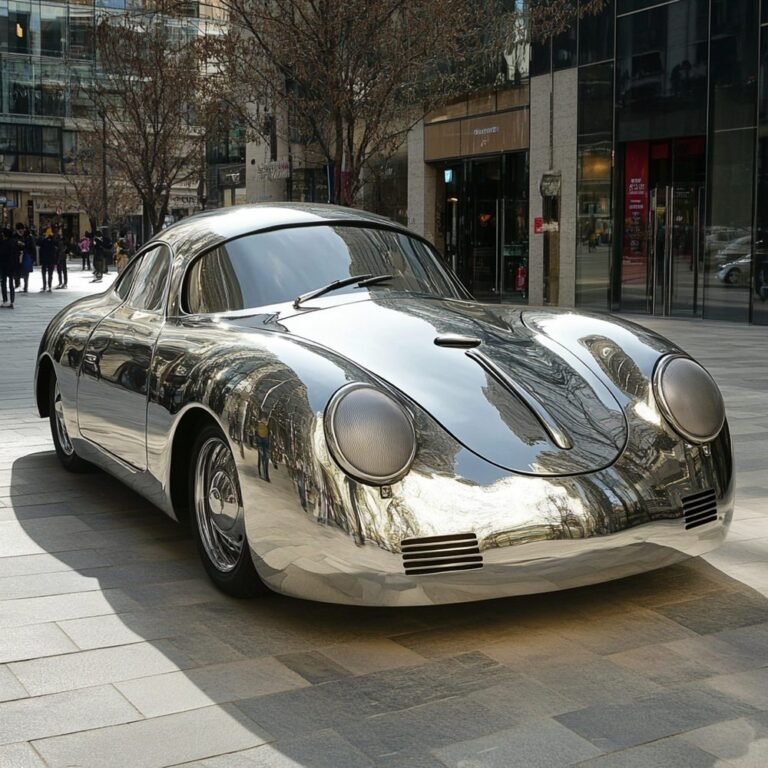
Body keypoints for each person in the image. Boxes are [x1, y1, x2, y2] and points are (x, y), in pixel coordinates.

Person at [0, 228, 17, 309]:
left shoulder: (3, 243)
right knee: (11, 284)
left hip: (4, 265)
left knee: (3, 283)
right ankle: (12, 301)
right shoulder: (14, 242)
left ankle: (5, 300)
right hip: (12, 265)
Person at [15, 223, 34, 293]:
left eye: (22, 229)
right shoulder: (15, 236)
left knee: (26, 272)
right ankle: (17, 284)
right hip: (17, 256)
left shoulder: (28, 236)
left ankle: (25, 286)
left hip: (26, 256)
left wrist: (24, 246)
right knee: (17, 271)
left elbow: (32, 247)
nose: (21, 231)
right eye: (19, 230)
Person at [37, 228, 57, 292]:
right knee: (50, 273)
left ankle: (44, 286)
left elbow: (39, 245)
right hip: (51, 259)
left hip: (44, 259)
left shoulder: (44, 240)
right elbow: (55, 250)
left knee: (44, 273)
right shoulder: (53, 241)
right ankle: (50, 286)